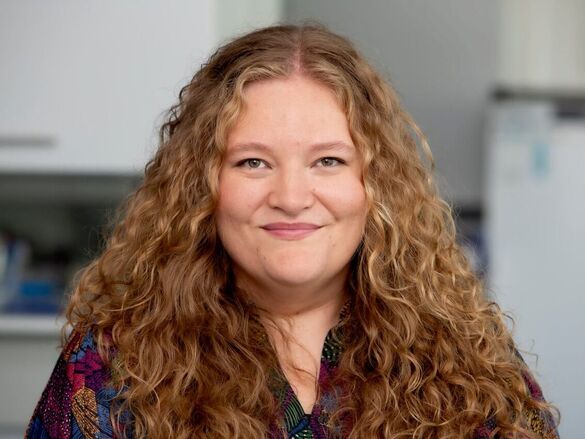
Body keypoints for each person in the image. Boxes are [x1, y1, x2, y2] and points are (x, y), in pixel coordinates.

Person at [26, 23, 560, 438]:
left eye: (328, 161)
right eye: (253, 162)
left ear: (376, 185)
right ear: (200, 186)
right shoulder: (111, 365)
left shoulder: (472, 362)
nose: (291, 197)